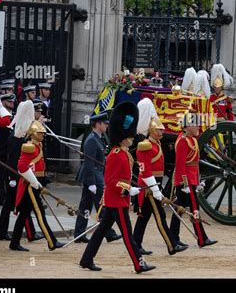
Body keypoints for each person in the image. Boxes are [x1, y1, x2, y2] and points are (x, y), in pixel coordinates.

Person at [79, 101, 155, 273]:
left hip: (117, 200)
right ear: (123, 137)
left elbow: (123, 176)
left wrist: (131, 186)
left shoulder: (123, 153)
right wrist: (128, 189)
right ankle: (139, 263)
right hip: (117, 200)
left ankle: (86, 259)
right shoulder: (115, 155)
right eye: (129, 137)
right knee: (128, 236)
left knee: (100, 232)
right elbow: (110, 180)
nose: (132, 139)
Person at [133, 98, 188, 255]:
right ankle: (172, 246)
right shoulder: (145, 146)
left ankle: (136, 243)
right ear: (151, 130)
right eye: (159, 130)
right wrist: (156, 190)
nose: (162, 131)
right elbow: (145, 171)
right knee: (160, 216)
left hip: (155, 184)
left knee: (144, 216)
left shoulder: (156, 144)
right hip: (149, 187)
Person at [9, 113, 64, 251]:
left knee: (24, 214)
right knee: (40, 213)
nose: (43, 135)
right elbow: (22, 168)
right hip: (30, 184)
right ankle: (52, 242)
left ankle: (14, 243)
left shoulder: (37, 145)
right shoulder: (29, 147)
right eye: (40, 133)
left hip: (35, 183)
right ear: (33, 134)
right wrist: (37, 185)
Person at [170, 109, 218, 248]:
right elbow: (180, 165)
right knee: (194, 208)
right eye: (196, 124)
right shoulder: (183, 141)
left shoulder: (191, 139)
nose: (198, 127)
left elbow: (195, 164)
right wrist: (185, 184)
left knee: (180, 207)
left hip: (191, 180)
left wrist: (197, 181)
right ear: (188, 126)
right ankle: (202, 239)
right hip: (185, 181)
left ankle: (174, 236)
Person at [0, 101, 42, 242]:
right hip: (14, 176)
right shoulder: (17, 139)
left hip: (15, 174)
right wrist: (13, 179)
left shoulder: (18, 136)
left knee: (11, 204)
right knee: (23, 204)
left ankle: (3, 232)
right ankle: (30, 233)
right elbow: (15, 160)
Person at [74, 112, 121, 243]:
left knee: (86, 206)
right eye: (104, 123)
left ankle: (80, 232)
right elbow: (89, 162)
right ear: (98, 124)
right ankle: (109, 233)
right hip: (93, 176)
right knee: (101, 205)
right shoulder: (91, 140)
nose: (106, 126)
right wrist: (92, 182)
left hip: (96, 175)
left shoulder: (98, 138)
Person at [0, 94, 15, 206]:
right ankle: (1, 197)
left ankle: (7, 197)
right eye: (9, 101)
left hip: (10, 152)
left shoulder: (12, 116)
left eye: (12, 101)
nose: (12, 103)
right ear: (3, 102)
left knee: (9, 177)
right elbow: (5, 122)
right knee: (1, 177)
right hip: (1, 152)